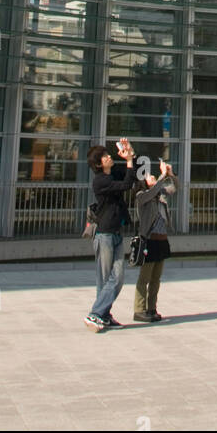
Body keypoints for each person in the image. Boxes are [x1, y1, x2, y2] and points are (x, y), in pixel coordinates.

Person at [84, 140, 137, 331]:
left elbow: (133, 172)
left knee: (115, 276)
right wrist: (129, 161)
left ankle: (103, 315)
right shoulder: (101, 181)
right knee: (108, 278)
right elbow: (127, 184)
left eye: (108, 154)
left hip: (115, 232)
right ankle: (96, 314)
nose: (109, 157)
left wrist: (130, 154)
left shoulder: (112, 174)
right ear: (99, 164)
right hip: (104, 234)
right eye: (105, 156)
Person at [134, 158, 178, 324]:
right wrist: (162, 175)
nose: (153, 178)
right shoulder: (142, 197)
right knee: (144, 277)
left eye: (154, 177)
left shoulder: (160, 195)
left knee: (156, 278)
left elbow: (175, 187)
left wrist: (171, 175)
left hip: (161, 240)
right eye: (150, 177)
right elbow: (153, 192)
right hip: (149, 241)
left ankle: (151, 308)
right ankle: (139, 309)